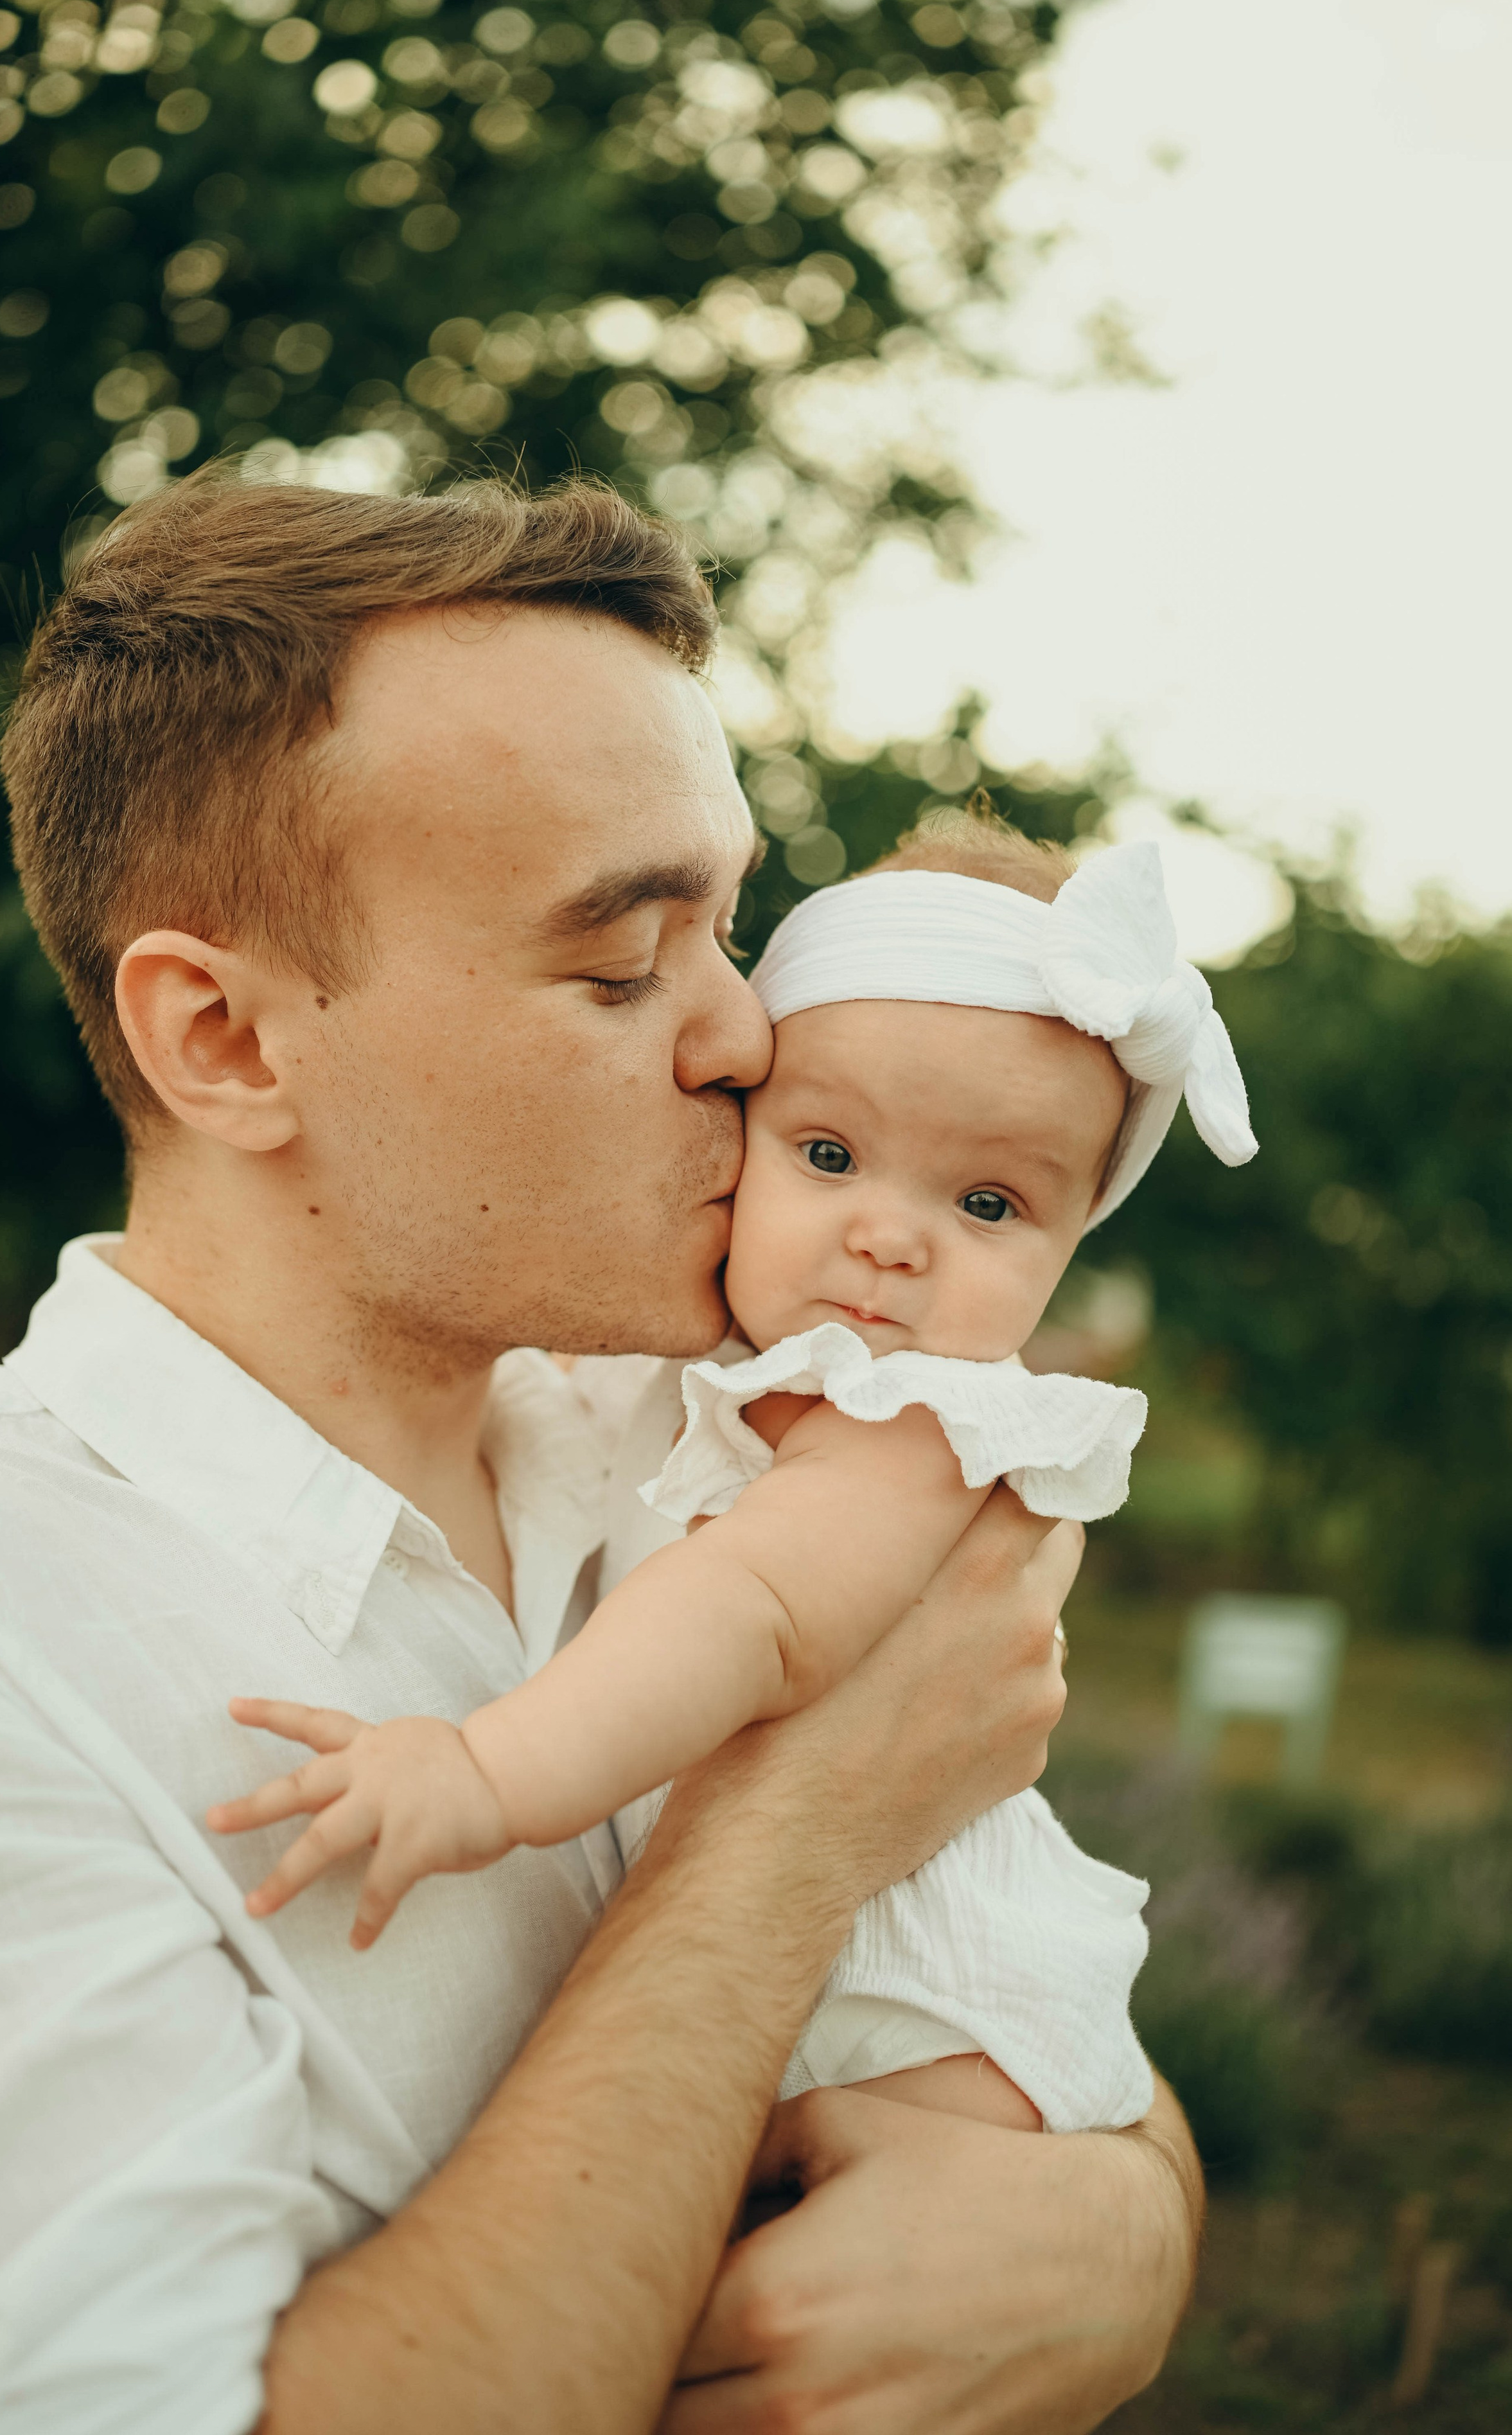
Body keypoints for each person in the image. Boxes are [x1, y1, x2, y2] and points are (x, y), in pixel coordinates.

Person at [0, 474, 1202, 2435]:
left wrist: (1137, 2224)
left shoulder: (697, 1435)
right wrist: (785, 1833)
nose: (750, 1036)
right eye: (620, 960)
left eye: (731, 926)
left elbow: (1003, 1958)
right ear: (228, 1041)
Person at [206, 818, 1256, 2147]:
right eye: (828, 1156)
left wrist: (484, 1771)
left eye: (987, 1204)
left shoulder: (911, 1420)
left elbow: (754, 1604)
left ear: (1075, 1235)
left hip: (907, 2022)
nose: (888, 1238)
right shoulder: (702, 1361)